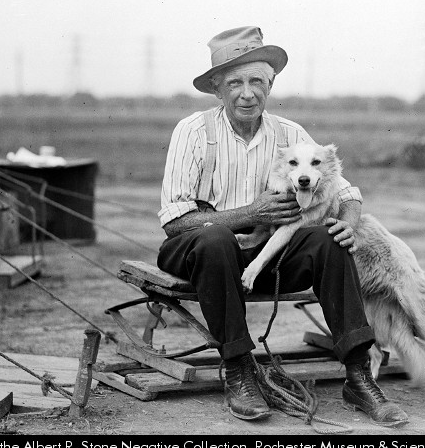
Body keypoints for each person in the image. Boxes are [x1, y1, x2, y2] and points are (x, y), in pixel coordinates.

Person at [156, 26, 408, 426]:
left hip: (267, 256)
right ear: (217, 88)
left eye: (257, 81)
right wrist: (251, 214)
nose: (247, 93)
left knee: (328, 239)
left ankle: (359, 375)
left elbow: (346, 191)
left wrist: (347, 222)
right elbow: (176, 221)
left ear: (270, 86)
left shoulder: (290, 134)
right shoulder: (194, 131)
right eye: (235, 83)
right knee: (215, 238)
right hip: (200, 253)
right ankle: (240, 371)